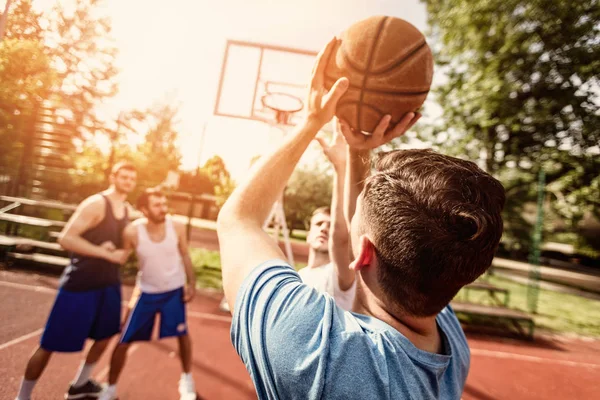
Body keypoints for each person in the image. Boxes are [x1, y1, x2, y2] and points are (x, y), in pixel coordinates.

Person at [216, 37, 505, 399]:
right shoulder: (450, 342)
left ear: (364, 254)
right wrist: (359, 150)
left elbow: (238, 220)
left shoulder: (315, 354)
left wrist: (310, 122)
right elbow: (377, 235)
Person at [15, 161, 137, 400]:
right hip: (81, 284)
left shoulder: (126, 208)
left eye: (132, 179)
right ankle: (23, 396)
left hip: (110, 283)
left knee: (106, 336)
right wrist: (103, 252)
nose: (128, 182)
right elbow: (66, 239)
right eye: (123, 177)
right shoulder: (95, 204)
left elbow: (126, 244)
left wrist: (125, 252)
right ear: (113, 177)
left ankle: (79, 385)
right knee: (49, 344)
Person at [99, 188, 197, 400]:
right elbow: (123, 256)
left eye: (164, 204)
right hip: (146, 291)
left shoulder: (177, 227)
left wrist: (192, 282)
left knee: (182, 336)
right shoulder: (132, 232)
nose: (163, 209)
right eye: (157, 205)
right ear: (144, 209)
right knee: (123, 340)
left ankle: (187, 380)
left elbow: (186, 255)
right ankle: (110, 388)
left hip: (173, 290)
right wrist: (103, 249)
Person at [298, 126, 355, 311]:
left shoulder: (340, 274)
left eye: (330, 226)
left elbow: (342, 237)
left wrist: (342, 167)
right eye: (319, 224)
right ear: (308, 234)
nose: (324, 228)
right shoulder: (299, 277)